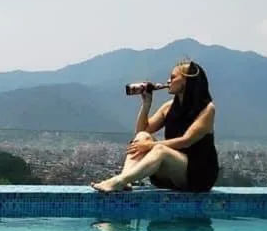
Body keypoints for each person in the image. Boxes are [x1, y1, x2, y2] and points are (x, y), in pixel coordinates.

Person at [91, 59, 219, 193]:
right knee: (143, 137)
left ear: (187, 81)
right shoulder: (168, 107)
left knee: (160, 149)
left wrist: (151, 146)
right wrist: (146, 104)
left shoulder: (207, 109)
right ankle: (125, 179)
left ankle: (119, 180)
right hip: (173, 171)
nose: (168, 81)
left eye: (173, 77)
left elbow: (186, 141)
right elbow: (141, 132)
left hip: (198, 175)